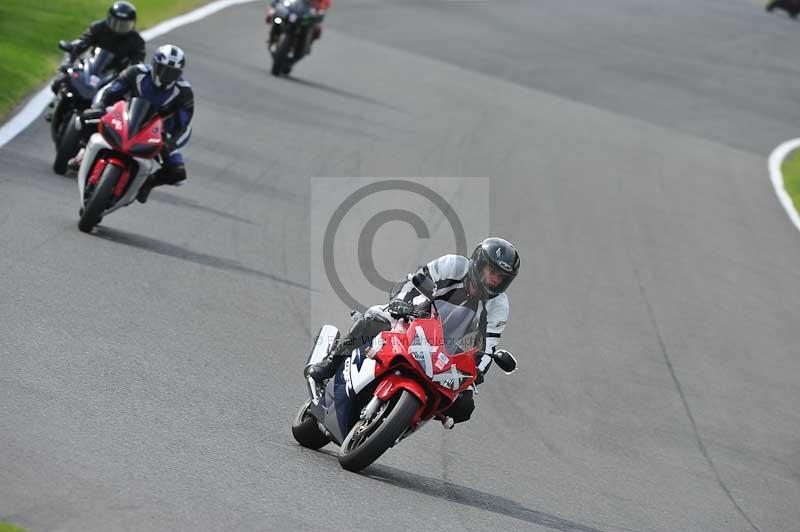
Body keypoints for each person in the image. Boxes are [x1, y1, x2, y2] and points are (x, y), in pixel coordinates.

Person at [305, 237, 521, 426]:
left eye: (501, 277)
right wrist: (401, 304)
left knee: (464, 406)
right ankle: (330, 364)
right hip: (414, 319)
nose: (494, 280)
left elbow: (488, 345)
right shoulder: (453, 265)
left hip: (447, 350)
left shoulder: (499, 306)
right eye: (492, 272)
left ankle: (404, 421)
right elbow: (414, 281)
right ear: (479, 263)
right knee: (374, 318)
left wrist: (475, 374)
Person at [76, 44, 193, 203]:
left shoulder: (184, 92)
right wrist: (99, 106)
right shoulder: (136, 72)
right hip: (125, 114)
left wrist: (171, 142)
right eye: (163, 69)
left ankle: (147, 183)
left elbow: (184, 125)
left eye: (172, 72)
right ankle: (83, 149)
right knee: (85, 119)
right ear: (154, 64)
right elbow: (109, 90)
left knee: (178, 174)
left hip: (159, 131)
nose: (166, 75)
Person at [51, 1, 146, 94]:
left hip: (114, 77)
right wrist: (70, 57)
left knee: (125, 97)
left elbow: (137, 63)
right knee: (58, 82)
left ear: (132, 24)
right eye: (115, 23)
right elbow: (83, 41)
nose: (118, 28)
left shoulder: (137, 41)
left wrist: (132, 78)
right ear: (109, 18)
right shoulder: (99, 27)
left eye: (123, 25)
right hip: (91, 67)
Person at [265, 0, 330, 49]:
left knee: (317, 29)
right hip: (292, 10)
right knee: (278, 18)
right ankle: (274, 38)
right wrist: (273, 7)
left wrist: (320, 11)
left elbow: (323, 7)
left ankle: (307, 44)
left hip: (307, 15)